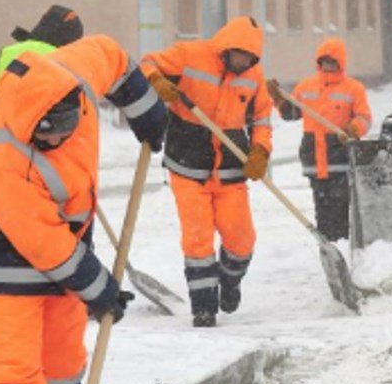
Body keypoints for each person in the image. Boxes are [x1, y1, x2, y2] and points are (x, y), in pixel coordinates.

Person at [0, 36, 168, 384]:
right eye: (49, 135)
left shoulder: (69, 79)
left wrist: (145, 109)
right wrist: (97, 288)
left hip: (63, 238)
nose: (60, 140)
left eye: (69, 126)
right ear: (30, 123)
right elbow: (42, 243)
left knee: (64, 364)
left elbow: (110, 54)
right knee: (16, 372)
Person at [141, 16, 273, 328]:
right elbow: (147, 63)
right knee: (198, 238)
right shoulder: (190, 55)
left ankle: (229, 281)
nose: (243, 62)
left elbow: (262, 117)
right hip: (187, 162)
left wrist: (260, 150)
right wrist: (158, 82)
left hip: (230, 167)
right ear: (226, 48)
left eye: (249, 58)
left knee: (240, 238)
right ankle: (203, 307)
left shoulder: (253, 76)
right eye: (239, 55)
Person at [267, 37, 371, 241]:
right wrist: (279, 100)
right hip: (314, 157)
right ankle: (328, 244)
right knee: (322, 206)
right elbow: (292, 114)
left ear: (341, 62)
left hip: (339, 156)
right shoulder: (306, 86)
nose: (328, 66)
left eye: (332, 62)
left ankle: (342, 241)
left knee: (341, 205)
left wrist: (352, 129)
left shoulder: (353, 88)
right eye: (324, 62)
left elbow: (365, 118)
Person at [0, 4, 84, 101]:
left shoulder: (8, 51)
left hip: (4, 119)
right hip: (42, 120)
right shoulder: (63, 58)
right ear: (69, 38)